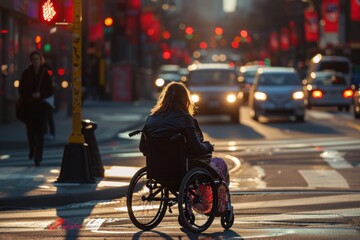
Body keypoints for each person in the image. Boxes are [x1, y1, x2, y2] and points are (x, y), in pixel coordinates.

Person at [139, 81, 229, 185]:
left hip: (157, 169)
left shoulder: (151, 119)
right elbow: (196, 148)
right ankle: (215, 199)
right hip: (180, 169)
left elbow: (143, 148)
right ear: (185, 99)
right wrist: (208, 146)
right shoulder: (185, 119)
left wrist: (159, 154)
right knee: (220, 164)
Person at [18, 50, 53, 166]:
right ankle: (32, 148)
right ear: (31, 61)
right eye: (33, 59)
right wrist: (30, 95)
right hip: (30, 106)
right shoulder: (26, 73)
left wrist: (40, 95)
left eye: (37, 59)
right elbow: (21, 89)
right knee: (31, 131)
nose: (36, 61)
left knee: (41, 132)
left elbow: (50, 90)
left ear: (41, 60)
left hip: (42, 106)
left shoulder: (45, 74)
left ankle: (38, 156)